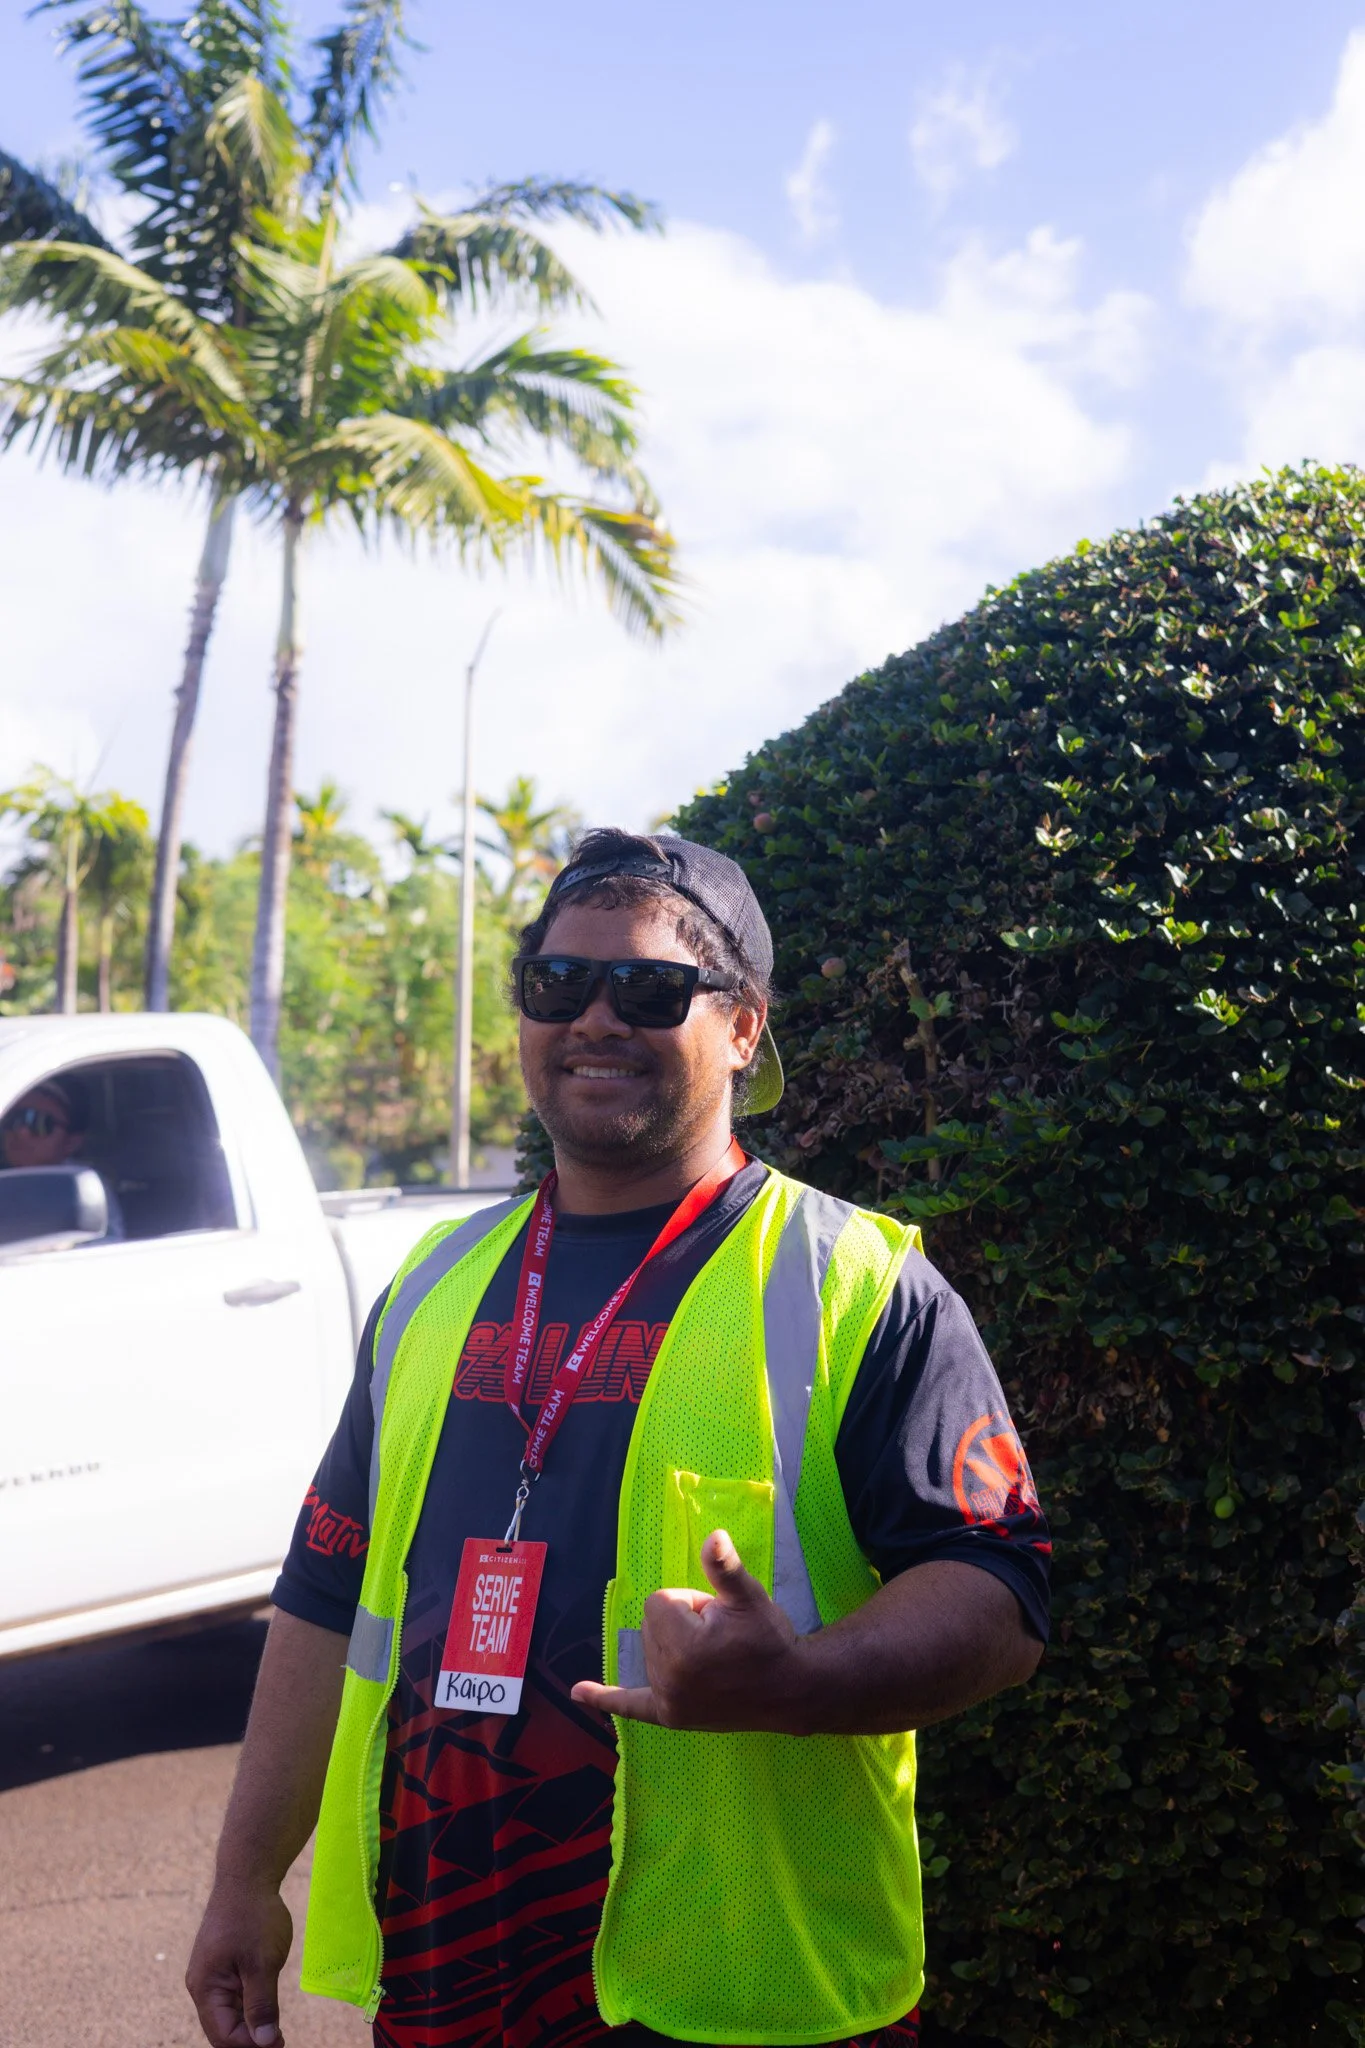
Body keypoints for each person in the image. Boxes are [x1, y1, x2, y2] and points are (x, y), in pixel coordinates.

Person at [187, 829, 1051, 2048]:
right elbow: (328, 1594)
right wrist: (241, 1878)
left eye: (648, 988)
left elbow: (1001, 1590)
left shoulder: (854, 1284)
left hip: (749, 2005)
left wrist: (802, 1683)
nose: (595, 1017)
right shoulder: (432, 1285)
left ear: (744, 1026)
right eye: (557, 983)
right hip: (449, 1985)